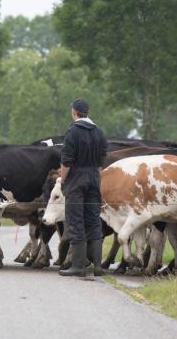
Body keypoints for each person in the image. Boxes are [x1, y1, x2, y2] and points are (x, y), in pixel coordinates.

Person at [58, 98, 107, 278]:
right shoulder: (98, 132)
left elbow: (66, 161)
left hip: (76, 180)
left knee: (75, 220)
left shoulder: (72, 131)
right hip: (94, 178)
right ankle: (98, 266)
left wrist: (63, 181)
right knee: (94, 220)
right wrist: (94, 176)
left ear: (74, 112)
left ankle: (78, 266)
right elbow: (102, 159)